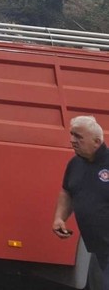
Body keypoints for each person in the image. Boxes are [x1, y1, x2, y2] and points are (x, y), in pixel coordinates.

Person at [53, 115, 109, 289]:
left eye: (78, 136)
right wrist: (60, 218)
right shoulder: (75, 163)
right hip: (97, 248)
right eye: (72, 134)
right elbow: (67, 191)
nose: (72, 140)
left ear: (97, 142)